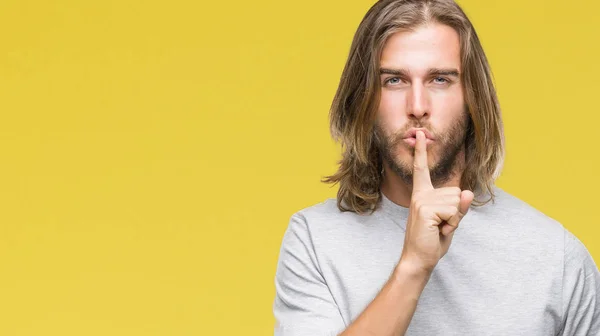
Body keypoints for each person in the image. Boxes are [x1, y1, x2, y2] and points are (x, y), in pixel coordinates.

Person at [272, 0, 600, 335]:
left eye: (440, 79)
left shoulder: (554, 256)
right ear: (363, 99)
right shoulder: (314, 240)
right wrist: (413, 266)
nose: (417, 107)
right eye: (394, 81)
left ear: (473, 97)